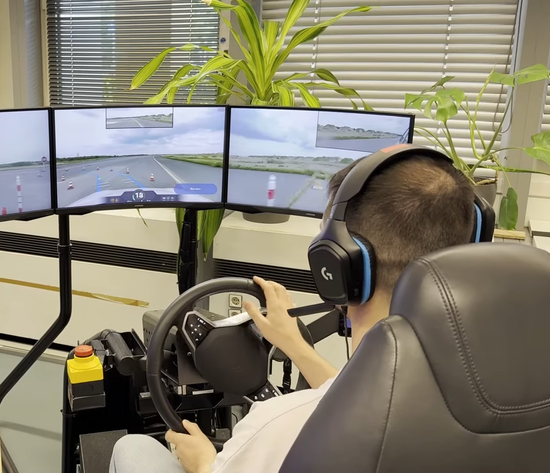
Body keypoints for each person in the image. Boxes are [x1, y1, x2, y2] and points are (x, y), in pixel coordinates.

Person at [109, 152, 478, 473]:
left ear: (336, 266)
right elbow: (354, 396)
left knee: (133, 448)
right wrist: (294, 344)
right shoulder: (485, 390)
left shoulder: (278, 425)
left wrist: (205, 463)